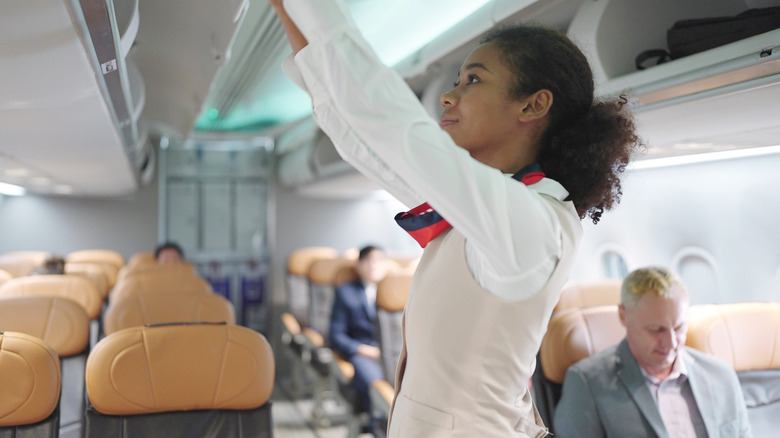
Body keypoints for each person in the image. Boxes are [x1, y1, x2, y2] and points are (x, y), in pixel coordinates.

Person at [270, 1, 642, 436]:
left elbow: (393, 126)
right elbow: (361, 137)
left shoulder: (534, 222)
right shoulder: (488, 208)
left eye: (473, 80)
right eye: (457, 81)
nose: (449, 96)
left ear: (533, 105)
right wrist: (287, 10)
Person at [554, 267, 752, 437]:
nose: (671, 342)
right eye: (656, 330)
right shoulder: (587, 383)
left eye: (679, 328)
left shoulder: (720, 375)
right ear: (624, 316)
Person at [329, 245, 388, 418]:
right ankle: (376, 425)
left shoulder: (397, 292)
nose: (375, 265)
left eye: (380, 261)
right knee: (375, 382)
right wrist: (367, 351)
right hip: (364, 354)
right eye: (369, 260)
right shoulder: (345, 292)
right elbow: (336, 337)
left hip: (393, 354)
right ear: (359, 265)